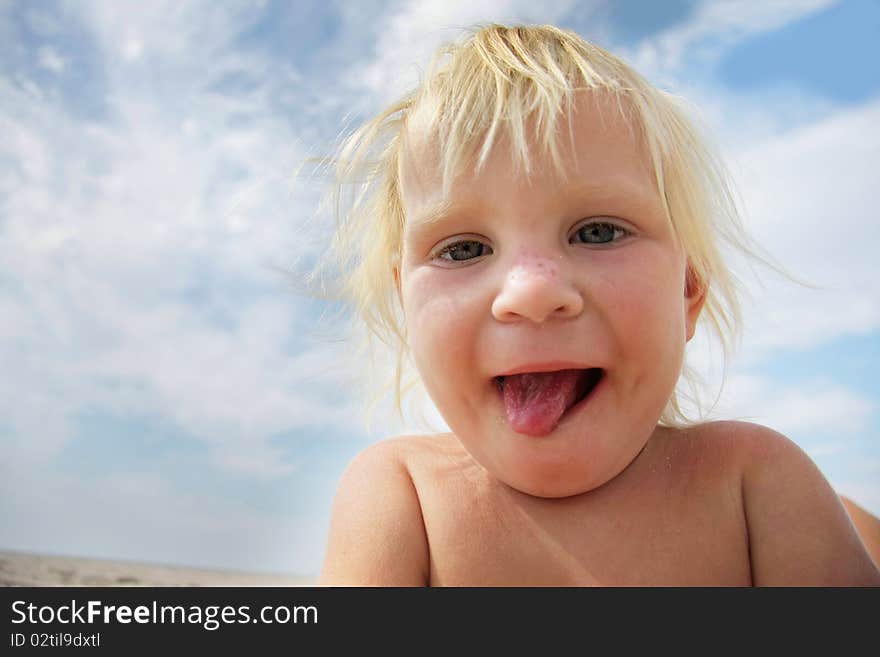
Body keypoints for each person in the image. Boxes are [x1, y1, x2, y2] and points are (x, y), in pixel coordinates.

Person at [317, 24, 880, 586]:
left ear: (689, 289)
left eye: (599, 233)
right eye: (464, 249)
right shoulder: (402, 496)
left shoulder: (757, 486)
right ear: (405, 305)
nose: (530, 293)